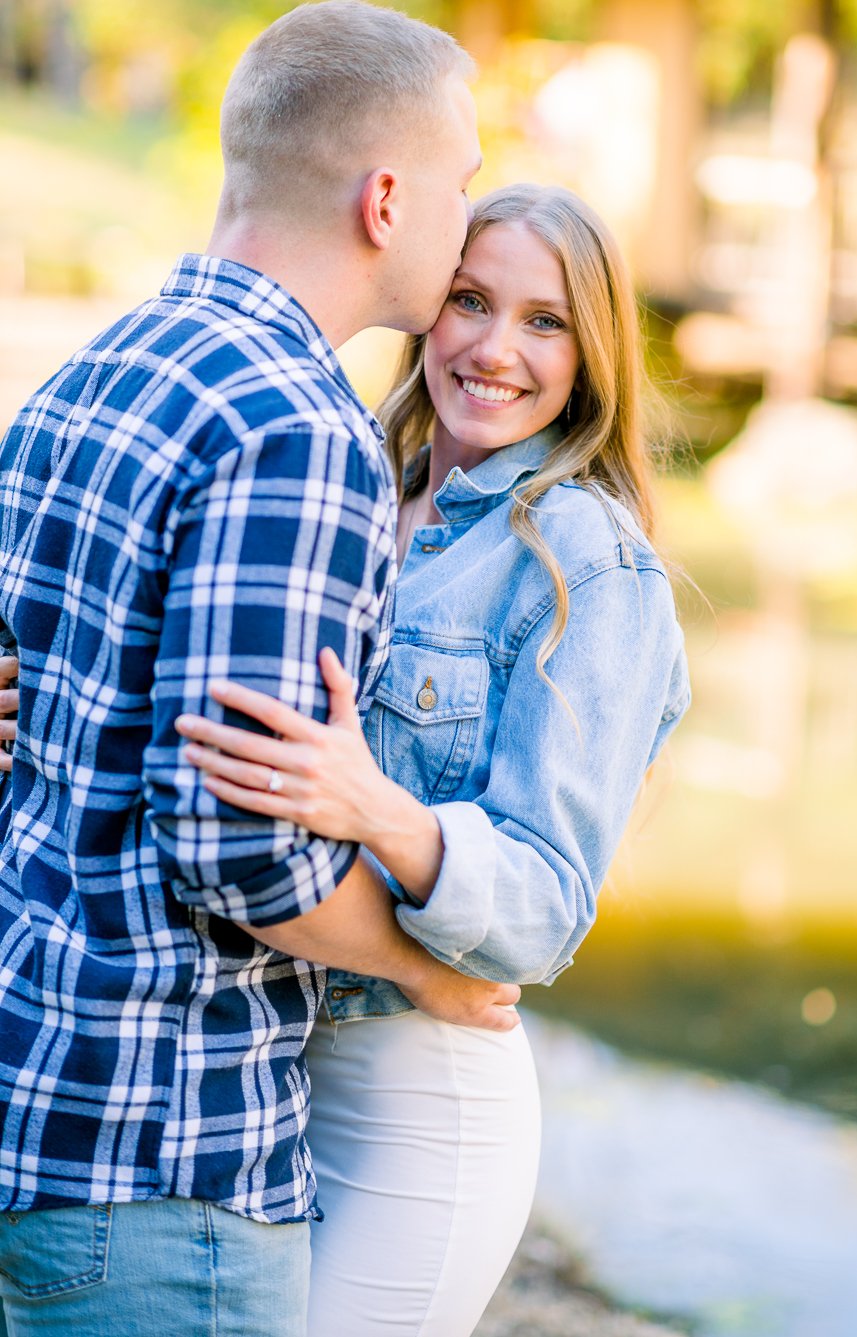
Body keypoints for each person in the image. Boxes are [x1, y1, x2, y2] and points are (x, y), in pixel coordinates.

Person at [0, 6, 521, 1335]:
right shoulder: (299, 429)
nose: (463, 220)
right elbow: (235, 850)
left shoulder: (91, 376)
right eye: (459, 184)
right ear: (384, 198)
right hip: (163, 1166)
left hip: (35, 1114)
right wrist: (427, 969)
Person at [176, 183, 691, 1336]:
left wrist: (381, 809)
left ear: (593, 349)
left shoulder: (589, 566)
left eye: (545, 320)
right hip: (260, 1063)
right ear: (426, 306)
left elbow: (546, 907)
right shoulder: (345, 479)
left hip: (421, 1098)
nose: (496, 348)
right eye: (470, 299)